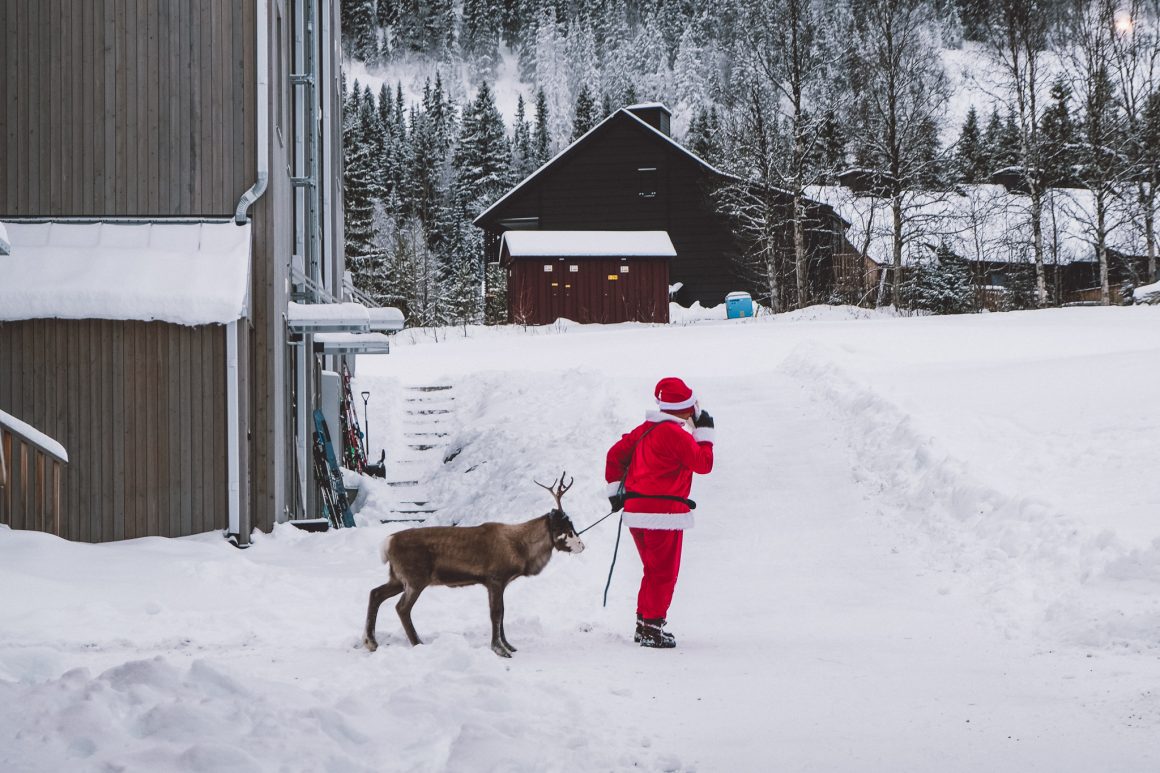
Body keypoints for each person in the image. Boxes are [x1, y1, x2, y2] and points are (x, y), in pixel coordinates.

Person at [605, 377, 714, 648]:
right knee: (664, 572)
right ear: (687, 407)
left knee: (652, 570)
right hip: (663, 514)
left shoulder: (645, 429)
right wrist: (705, 435)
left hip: (635, 512)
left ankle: (644, 625)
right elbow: (703, 463)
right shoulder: (674, 434)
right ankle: (653, 628)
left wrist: (615, 493)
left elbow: (614, 455)